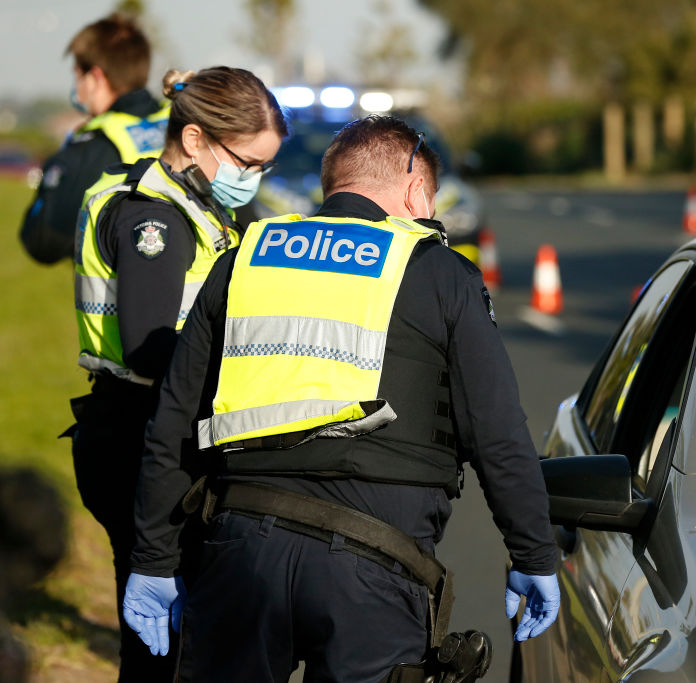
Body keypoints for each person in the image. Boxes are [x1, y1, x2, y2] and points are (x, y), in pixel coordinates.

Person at [123, 115, 560, 682]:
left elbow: (174, 420)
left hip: (240, 549)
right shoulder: (440, 273)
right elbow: (496, 431)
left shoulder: (244, 262)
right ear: (414, 190)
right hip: (378, 562)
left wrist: (153, 558)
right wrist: (532, 552)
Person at [71, 66, 285, 682]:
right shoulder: (155, 224)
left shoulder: (190, 204)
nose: (254, 180)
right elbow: (152, 351)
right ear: (194, 140)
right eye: (248, 163)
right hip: (142, 440)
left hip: (142, 432)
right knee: (164, 651)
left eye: (264, 168)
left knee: (177, 640)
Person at [20, 13, 168, 264]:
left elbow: (44, 242)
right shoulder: (180, 122)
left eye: (78, 74)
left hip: (123, 296)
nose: (76, 85)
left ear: (96, 77)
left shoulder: (95, 146)